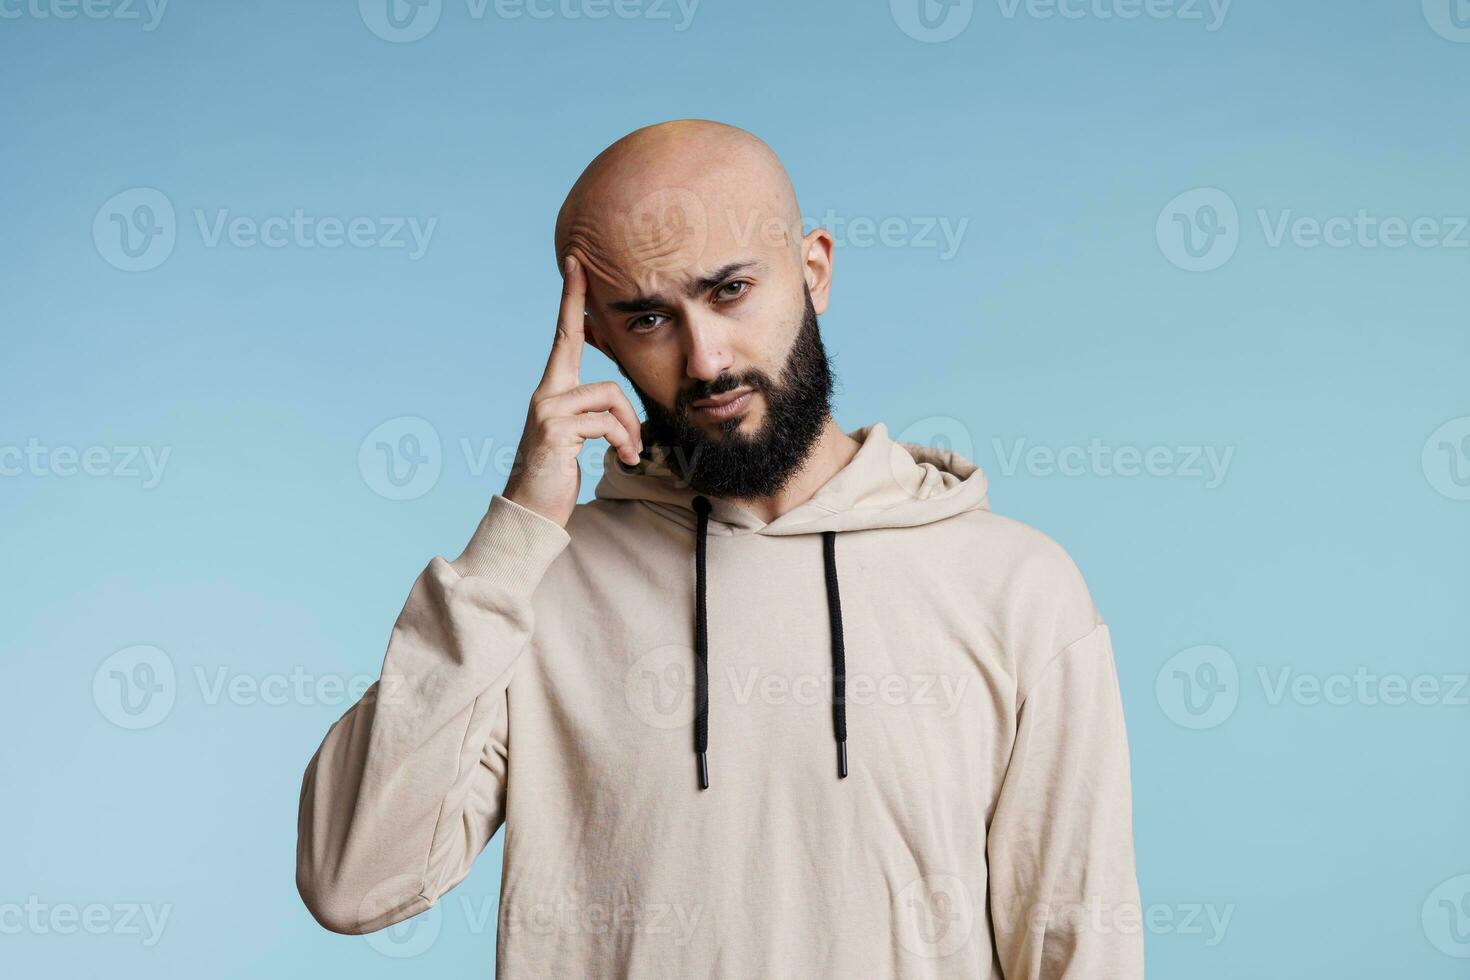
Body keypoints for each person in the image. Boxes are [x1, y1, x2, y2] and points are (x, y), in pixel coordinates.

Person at [295, 118, 1144, 978]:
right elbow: (353, 879)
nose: (705, 359)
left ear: (813, 271)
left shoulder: (1017, 589)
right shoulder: (536, 587)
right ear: (598, 338)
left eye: (731, 290)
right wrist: (519, 527)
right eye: (651, 317)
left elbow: (1082, 951)